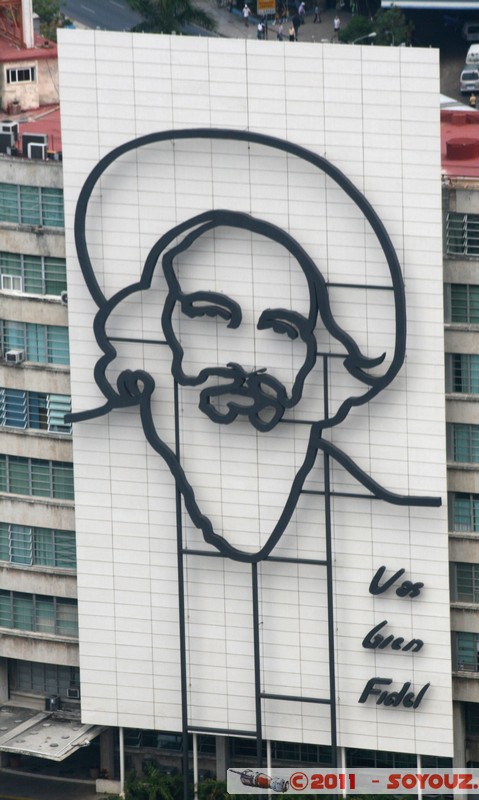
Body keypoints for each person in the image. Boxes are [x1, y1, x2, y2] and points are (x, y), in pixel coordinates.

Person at [69, 130, 441, 563]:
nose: (247, 360)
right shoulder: (101, 483)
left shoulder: (380, 518)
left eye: (283, 331)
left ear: (318, 358)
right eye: (211, 317)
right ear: (155, 324)